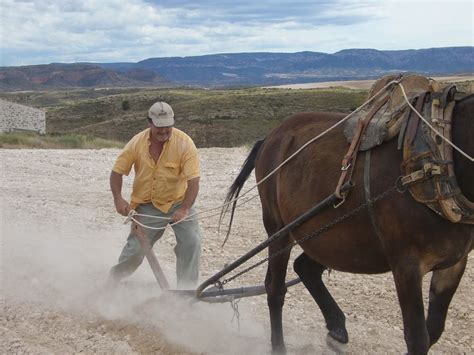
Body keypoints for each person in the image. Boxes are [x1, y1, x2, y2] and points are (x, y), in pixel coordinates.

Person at [109, 101, 201, 289]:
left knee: (191, 243)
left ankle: (186, 292)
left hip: (179, 202)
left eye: (168, 127)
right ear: (150, 123)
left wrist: (184, 209)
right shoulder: (136, 143)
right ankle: (113, 280)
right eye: (159, 128)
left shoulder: (185, 144)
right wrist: (118, 198)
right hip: (147, 205)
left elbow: (193, 181)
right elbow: (117, 172)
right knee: (134, 252)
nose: (164, 132)